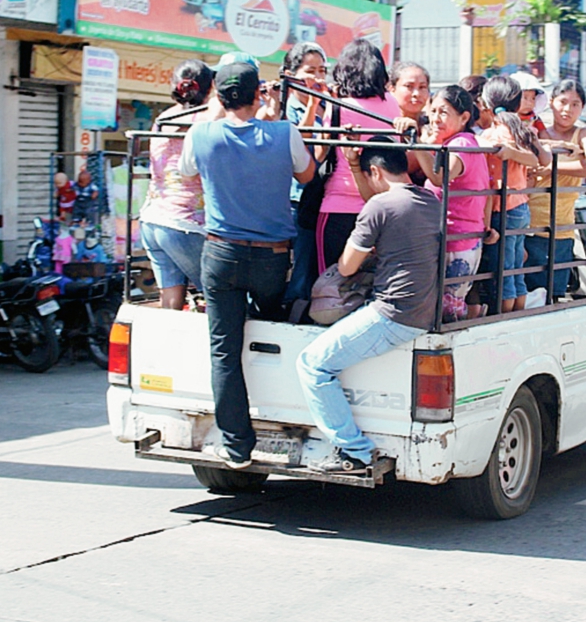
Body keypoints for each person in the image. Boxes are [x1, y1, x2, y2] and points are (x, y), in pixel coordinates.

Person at [178, 63, 316, 469]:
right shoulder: (282, 133)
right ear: (259, 94)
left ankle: (237, 444)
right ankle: (281, 415)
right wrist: (271, 117)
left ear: (218, 97)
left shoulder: (201, 133)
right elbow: (307, 175)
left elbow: (186, 169)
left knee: (225, 350)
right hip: (272, 256)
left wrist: (218, 113)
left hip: (221, 254)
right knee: (273, 333)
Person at [296, 140, 442, 474]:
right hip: (419, 309)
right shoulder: (430, 201)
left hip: (392, 313)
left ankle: (354, 452)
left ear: (375, 171)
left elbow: (347, 267)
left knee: (313, 365)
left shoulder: (380, 207)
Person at [316, 41, 401, 272]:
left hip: (338, 203)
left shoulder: (337, 107)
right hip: (380, 203)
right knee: (372, 281)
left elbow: (319, 152)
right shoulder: (393, 104)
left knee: (330, 282)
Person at [411, 85, 491, 322]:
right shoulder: (458, 142)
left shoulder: (462, 144)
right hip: (458, 238)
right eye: (433, 111)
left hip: (457, 241)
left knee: (447, 309)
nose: (436, 119)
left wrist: (417, 143)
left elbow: (439, 176)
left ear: (464, 117)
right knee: (448, 305)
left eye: (443, 112)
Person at [139, 60, 214, 309]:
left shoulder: (163, 117)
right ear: (211, 87)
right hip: (186, 223)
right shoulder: (207, 119)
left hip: (152, 218)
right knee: (219, 294)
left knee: (170, 302)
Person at [525, 79, 586, 300]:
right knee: (523, 296)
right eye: (562, 102)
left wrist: (553, 166)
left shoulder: (583, 135)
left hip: (559, 231)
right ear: (551, 102)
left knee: (550, 296)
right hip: (526, 227)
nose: (567, 109)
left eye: (575, 104)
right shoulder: (538, 132)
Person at [478, 75, 549, 313]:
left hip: (501, 208)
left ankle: (504, 316)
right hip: (521, 207)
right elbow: (541, 158)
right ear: (518, 104)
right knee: (515, 266)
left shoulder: (490, 136)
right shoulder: (522, 131)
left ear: (485, 105)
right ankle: (517, 312)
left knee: (503, 270)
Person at [278, 42, 329, 307]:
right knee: (294, 265)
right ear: (290, 75)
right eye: (311, 71)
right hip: (293, 199)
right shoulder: (282, 109)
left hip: (321, 197)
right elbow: (300, 147)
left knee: (310, 264)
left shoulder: (327, 105)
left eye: (322, 70)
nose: (318, 78)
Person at [389, 60, 431, 131]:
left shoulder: (434, 127)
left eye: (422, 87)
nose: (416, 94)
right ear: (392, 89)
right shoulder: (383, 123)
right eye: (409, 86)